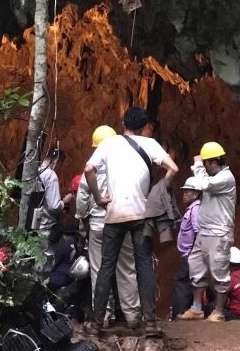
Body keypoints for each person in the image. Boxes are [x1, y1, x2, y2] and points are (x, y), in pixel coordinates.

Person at [83, 108, 179, 338]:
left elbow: (88, 170)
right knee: (143, 265)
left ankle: (97, 324)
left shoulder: (108, 144)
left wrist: (98, 197)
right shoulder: (150, 144)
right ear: (144, 126)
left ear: (123, 122)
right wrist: (158, 189)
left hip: (115, 214)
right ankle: (150, 324)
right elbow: (173, 169)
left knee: (106, 267)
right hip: (141, 215)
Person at [75, 124, 141, 328]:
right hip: (121, 221)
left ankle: (103, 316)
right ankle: (132, 315)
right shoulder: (124, 170)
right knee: (126, 269)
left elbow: (81, 204)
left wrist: (82, 223)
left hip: (97, 226)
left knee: (98, 270)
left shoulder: (91, 171)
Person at [178, 142, 237, 323]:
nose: (204, 167)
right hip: (204, 232)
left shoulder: (226, 178)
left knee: (219, 272)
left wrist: (197, 165)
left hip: (219, 233)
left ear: (213, 163)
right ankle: (196, 309)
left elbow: (205, 185)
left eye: (205, 164)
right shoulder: (213, 178)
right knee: (196, 267)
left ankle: (218, 311)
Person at [38, 147, 74, 273]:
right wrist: (65, 201)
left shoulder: (37, 170)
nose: (59, 168)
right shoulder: (50, 175)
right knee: (46, 260)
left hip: (35, 223)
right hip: (47, 225)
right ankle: (43, 289)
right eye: (60, 164)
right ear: (56, 160)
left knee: (35, 257)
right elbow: (54, 206)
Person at [173, 177, 203, 318]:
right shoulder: (191, 209)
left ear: (196, 194)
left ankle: (179, 314)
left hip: (190, 255)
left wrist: (193, 254)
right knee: (187, 284)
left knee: (182, 284)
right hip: (189, 255)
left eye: (187, 191)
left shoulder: (195, 209)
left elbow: (198, 231)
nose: (184, 194)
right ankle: (186, 312)